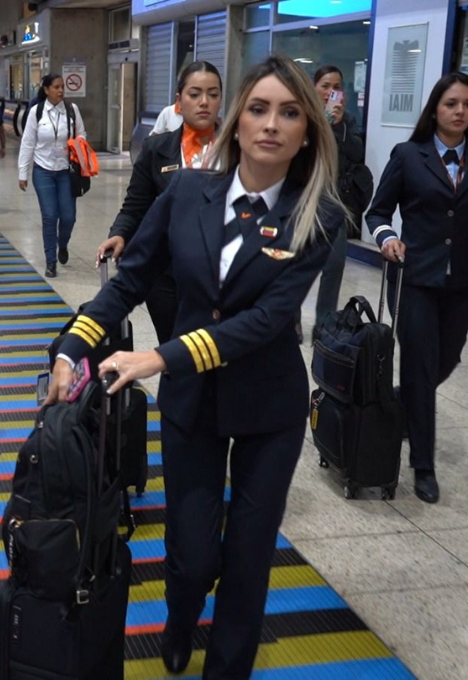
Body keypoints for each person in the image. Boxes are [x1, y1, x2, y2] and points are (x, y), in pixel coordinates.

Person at [48, 54, 341, 679]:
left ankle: (226, 666)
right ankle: (181, 619)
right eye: (258, 109)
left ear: (308, 131)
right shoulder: (184, 192)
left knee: (249, 554)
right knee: (189, 551)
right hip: (193, 406)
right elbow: (129, 281)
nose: (271, 124)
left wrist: (160, 357)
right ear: (235, 123)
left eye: (290, 113)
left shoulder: (318, 217)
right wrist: (74, 344)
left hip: (268, 407)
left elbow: (266, 321)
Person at [366, 72, 468, 504]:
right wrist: (388, 237)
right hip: (414, 278)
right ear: (435, 109)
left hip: (462, 282)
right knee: (421, 365)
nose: (459, 112)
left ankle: (399, 404)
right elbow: (376, 211)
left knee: (446, 360)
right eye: (451, 104)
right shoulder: (409, 155)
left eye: (467, 104)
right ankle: (422, 467)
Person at [95, 61, 223, 345]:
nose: (204, 102)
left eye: (213, 94)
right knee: (173, 350)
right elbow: (135, 206)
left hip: (221, 278)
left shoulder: (240, 148)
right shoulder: (157, 150)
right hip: (167, 276)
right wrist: (119, 233)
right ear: (179, 101)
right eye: (195, 94)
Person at [309, 65, 368, 341]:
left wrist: (340, 125)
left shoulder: (348, 121)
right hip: (303, 200)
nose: (332, 92)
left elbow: (356, 154)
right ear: (314, 87)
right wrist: (321, 122)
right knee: (293, 264)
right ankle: (289, 321)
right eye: (326, 86)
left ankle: (324, 322)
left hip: (334, 202)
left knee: (334, 264)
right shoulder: (303, 115)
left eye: (337, 87)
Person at [17, 73, 86, 278]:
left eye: (62, 87)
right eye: (56, 87)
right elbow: (28, 142)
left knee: (68, 216)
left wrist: (77, 142)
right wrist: (23, 173)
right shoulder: (36, 112)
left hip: (66, 171)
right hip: (43, 170)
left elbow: (82, 133)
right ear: (46, 89)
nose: (61, 90)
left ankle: (62, 243)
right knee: (49, 216)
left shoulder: (72, 110)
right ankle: (50, 261)